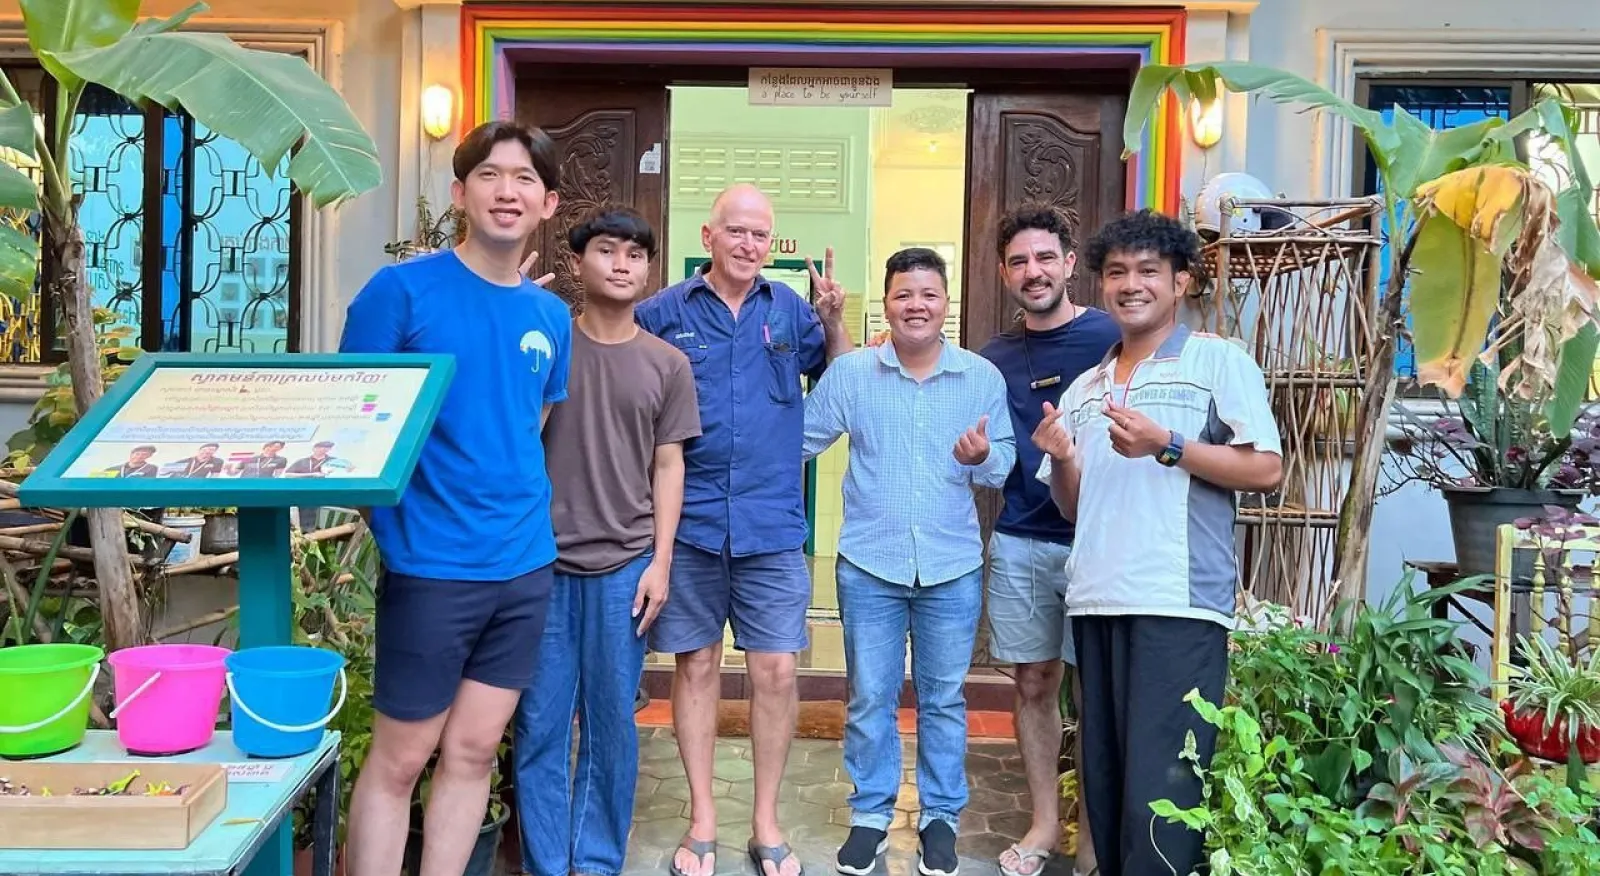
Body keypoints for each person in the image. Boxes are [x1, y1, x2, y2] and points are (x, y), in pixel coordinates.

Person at [338, 120, 570, 876]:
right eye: (492, 175)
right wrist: (399, 532)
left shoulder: (549, 316)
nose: (509, 190)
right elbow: (353, 424)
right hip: (432, 565)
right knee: (402, 759)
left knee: (473, 752)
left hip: (523, 564)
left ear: (549, 203)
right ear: (460, 191)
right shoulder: (400, 291)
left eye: (525, 179)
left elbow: (527, 426)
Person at [1032, 209, 1282, 876]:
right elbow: (1075, 505)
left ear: (1181, 283)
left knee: (1164, 783)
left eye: (1148, 271)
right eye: (1116, 272)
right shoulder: (1086, 386)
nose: (1130, 284)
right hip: (1096, 598)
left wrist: (1166, 444)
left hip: (1178, 600)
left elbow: (1266, 469)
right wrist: (1059, 458)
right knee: (1107, 780)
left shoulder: (1216, 361)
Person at [635, 183, 851, 876]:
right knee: (695, 667)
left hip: (772, 524)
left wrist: (836, 318)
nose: (749, 244)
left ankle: (765, 820)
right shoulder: (661, 312)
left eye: (760, 234)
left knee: (778, 671)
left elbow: (841, 379)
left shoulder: (791, 310)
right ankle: (702, 818)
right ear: (709, 234)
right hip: (689, 523)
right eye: (737, 231)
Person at [802, 248, 1013, 876]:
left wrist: (981, 459)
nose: (915, 306)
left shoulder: (980, 378)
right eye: (903, 295)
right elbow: (799, 442)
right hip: (870, 564)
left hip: (951, 566)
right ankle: (870, 814)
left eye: (928, 294)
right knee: (870, 695)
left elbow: (1004, 464)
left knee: (945, 698)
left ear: (945, 303)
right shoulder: (852, 376)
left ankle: (941, 818)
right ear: (886, 303)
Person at [513, 207, 702, 876]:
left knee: (612, 731)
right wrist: (516, 321)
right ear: (578, 263)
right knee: (539, 726)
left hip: (626, 568)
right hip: (543, 565)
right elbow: (512, 436)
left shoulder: (668, 364)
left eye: (635, 254)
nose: (621, 263)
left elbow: (669, 464)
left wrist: (661, 560)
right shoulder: (547, 342)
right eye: (607, 251)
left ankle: (595, 863)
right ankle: (544, 861)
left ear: (649, 271)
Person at [977, 207, 1119, 876]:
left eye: (1044, 258)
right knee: (1034, 682)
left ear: (1068, 262)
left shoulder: (1115, 335)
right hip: (1023, 537)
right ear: (1004, 273)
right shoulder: (995, 358)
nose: (1032, 271)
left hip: (1104, 540)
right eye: (1018, 262)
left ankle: (1093, 837)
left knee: (1095, 691)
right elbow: (992, 456)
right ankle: (1042, 826)